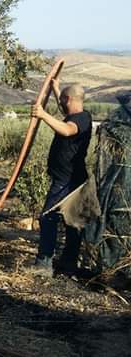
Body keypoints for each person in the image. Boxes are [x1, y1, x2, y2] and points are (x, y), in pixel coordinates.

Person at [30, 80, 93, 276]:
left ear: (69, 99)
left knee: (47, 218)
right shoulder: (75, 115)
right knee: (71, 222)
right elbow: (64, 110)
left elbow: (67, 130)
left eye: (63, 100)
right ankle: (68, 263)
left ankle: (44, 265)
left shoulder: (81, 119)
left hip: (66, 180)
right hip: (69, 178)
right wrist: (57, 88)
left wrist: (42, 114)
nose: (61, 104)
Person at [84, 90, 131, 274]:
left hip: (118, 185)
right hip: (118, 184)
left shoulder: (115, 124)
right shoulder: (116, 124)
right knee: (115, 223)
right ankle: (113, 270)